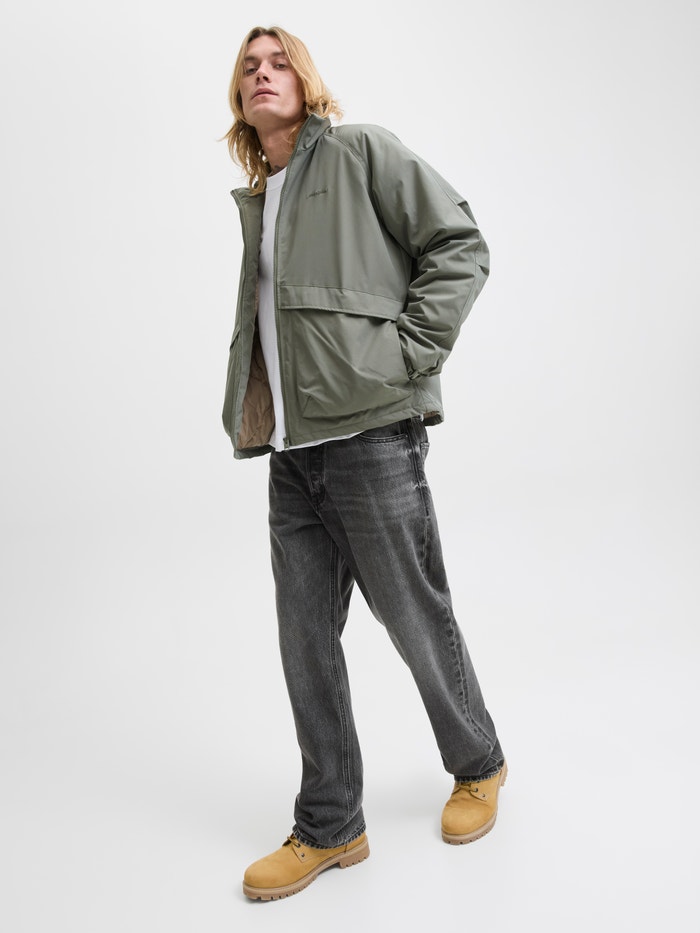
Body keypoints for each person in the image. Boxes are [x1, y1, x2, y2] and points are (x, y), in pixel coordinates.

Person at [222, 25, 506, 901]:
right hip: (293, 455)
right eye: (248, 67)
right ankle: (330, 823)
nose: (263, 74)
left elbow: (460, 245)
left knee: (415, 617)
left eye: (278, 62)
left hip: (372, 436)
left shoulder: (360, 154)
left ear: (305, 79)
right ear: (239, 99)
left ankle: (478, 762)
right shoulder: (262, 197)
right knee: (305, 642)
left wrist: (407, 355)